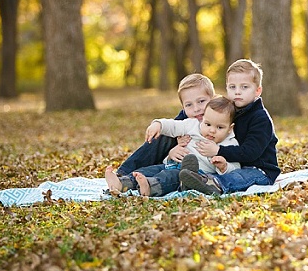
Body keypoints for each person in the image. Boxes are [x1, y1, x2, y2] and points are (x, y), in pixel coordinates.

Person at [179, 59, 280, 195]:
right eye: (232, 87)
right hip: (233, 166)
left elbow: (250, 152)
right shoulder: (229, 111)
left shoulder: (260, 118)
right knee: (228, 173)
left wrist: (218, 150)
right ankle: (194, 182)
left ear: (257, 91)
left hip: (260, 170)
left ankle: (211, 184)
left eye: (244, 87)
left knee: (238, 177)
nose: (237, 92)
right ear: (227, 88)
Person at [105, 95, 240, 196]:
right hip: (170, 164)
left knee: (170, 178)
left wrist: (223, 166)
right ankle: (122, 183)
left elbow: (236, 167)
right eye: (208, 124)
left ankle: (149, 188)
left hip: (194, 174)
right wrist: (158, 124)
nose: (212, 130)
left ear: (230, 128)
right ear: (203, 118)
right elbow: (173, 125)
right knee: (149, 170)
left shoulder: (229, 144)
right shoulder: (193, 125)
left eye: (220, 127)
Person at [115, 73, 214, 177]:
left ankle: (144, 177)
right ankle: (124, 173)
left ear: (213, 99)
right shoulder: (189, 116)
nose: (196, 108)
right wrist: (159, 125)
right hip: (176, 158)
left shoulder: (222, 114)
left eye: (201, 101)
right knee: (163, 134)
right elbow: (171, 126)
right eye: (189, 105)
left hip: (202, 164)